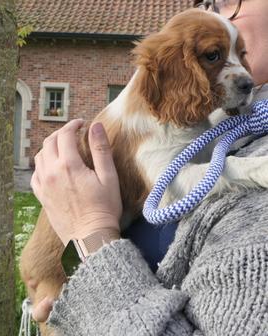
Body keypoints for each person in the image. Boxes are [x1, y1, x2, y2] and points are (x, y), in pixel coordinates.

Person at [29, 0, 268, 334]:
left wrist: (90, 233)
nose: (212, 12)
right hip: (55, 274)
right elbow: (169, 184)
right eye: (214, 55)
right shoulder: (146, 123)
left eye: (228, 2)